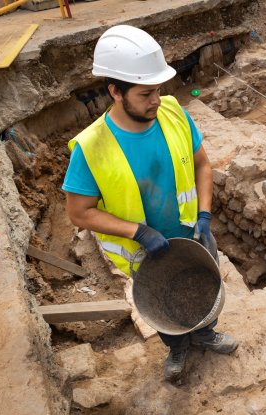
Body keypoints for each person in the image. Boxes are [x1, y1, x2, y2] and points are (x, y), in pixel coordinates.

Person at [62, 25, 238, 382]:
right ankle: (177, 348)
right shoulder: (91, 148)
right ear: (115, 91)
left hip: (193, 234)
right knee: (162, 305)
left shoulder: (172, 113)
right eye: (146, 94)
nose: (156, 100)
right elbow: (78, 212)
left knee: (206, 290)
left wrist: (204, 214)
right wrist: (138, 232)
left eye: (158, 90)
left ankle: (205, 333)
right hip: (148, 251)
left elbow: (202, 164)